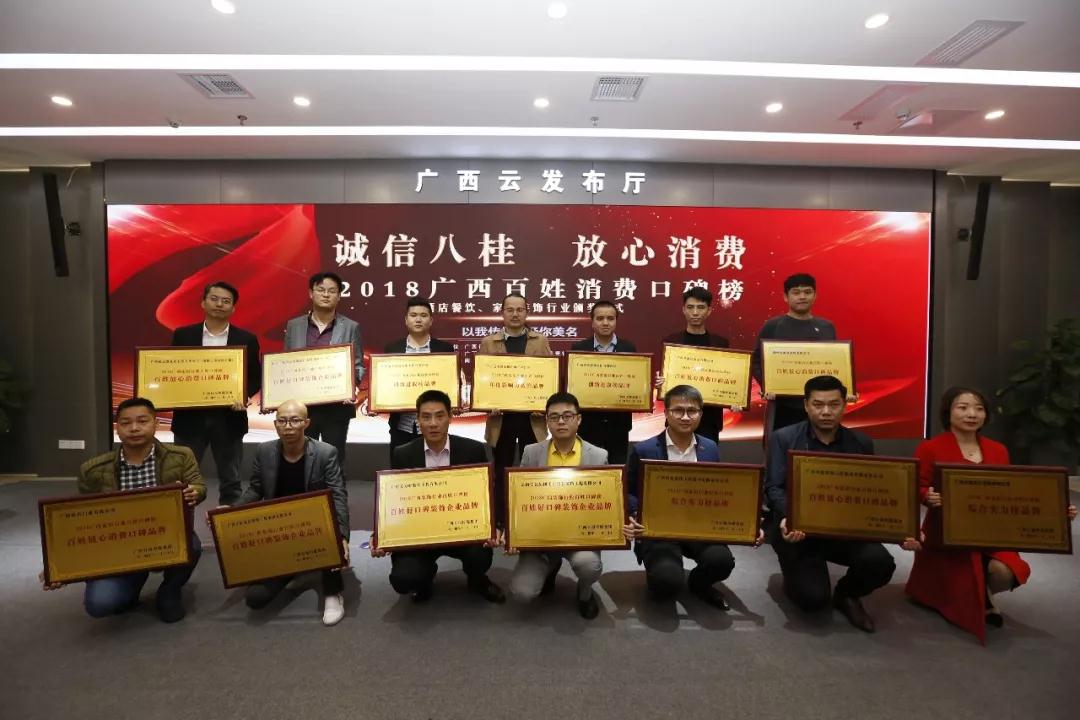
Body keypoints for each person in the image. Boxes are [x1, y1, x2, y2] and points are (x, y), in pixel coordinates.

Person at [905, 386, 1078, 641]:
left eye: (979, 409)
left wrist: (1057, 513)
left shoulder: (998, 450)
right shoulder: (930, 448)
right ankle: (982, 602)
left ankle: (983, 594)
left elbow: (1012, 490)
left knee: (1005, 572)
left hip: (993, 531)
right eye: (963, 408)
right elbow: (916, 486)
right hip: (947, 534)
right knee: (955, 585)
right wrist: (926, 496)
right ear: (948, 412)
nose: (971, 414)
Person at [764, 375, 916, 633]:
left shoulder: (861, 443)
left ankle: (847, 594)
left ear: (845, 405)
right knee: (812, 600)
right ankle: (795, 577)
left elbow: (873, 491)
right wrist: (790, 515)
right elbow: (774, 487)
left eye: (834, 404)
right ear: (806, 405)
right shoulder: (784, 438)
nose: (826, 411)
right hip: (799, 533)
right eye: (818, 404)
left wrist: (900, 529)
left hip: (845, 530)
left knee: (881, 562)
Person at [42, 398, 205, 623]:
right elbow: (79, 522)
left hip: (166, 535)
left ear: (156, 423)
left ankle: (169, 590)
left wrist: (194, 491)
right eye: (126, 423)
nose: (134, 428)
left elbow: (198, 484)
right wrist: (57, 565)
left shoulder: (181, 456)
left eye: (142, 421)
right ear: (117, 427)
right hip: (118, 544)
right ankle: (133, 579)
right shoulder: (92, 470)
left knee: (192, 545)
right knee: (100, 604)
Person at [622, 385, 759, 610]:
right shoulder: (644, 450)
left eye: (692, 411)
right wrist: (635, 513)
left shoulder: (710, 448)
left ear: (701, 414)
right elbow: (629, 491)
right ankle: (661, 577)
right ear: (666, 413)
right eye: (678, 410)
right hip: (659, 529)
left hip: (699, 526)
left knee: (721, 562)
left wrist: (749, 524)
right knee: (666, 581)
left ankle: (698, 584)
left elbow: (722, 492)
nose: (685, 417)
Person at [373, 390, 505, 604]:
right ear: (418, 420)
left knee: (480, 555)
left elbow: (486, 493)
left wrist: (494, 526)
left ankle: (477, 579)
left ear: (450, 417)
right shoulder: (403, 453)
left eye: (439, 416)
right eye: (426, 417)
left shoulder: (472, 450)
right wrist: (381, 534)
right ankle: (424, 579)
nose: (433, 423)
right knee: (403, 579)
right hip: (421, 532)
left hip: (461, 527)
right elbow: (395, 498)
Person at [234, 399, 351, 626]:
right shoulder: (264, 451)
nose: (288, 427)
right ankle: (297, 567)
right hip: (281, 530)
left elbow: (338, 495)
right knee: (256, 598)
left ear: (306, 423)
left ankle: (333, 592)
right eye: (282, 421)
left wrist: (343, 535)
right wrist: (232, 511)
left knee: (331, 539)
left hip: (316, 528)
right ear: (275, 424)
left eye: (295, 420)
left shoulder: (325, 453)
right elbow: (256, 489)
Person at [508, 392, 608, 619]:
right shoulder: (531, 452)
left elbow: (604, 502)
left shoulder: (598, 456)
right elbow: (520, 497)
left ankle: (585, 593)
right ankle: (550, 567)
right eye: (554, 417)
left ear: (578, 419)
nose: (561, 421)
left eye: (567, 416)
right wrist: (515, 533)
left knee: (589, 566)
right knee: (522, 592)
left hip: (580, 536)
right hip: (541, 537)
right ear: (546, 421)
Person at [170, 280, 262, 505]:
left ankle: (229, 524)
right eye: (214, 299)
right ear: (203, 303)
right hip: (189, 418)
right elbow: (171, 369)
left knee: (231, 481)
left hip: (229, 419)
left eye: (226, 301)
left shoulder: (246, 339)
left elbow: (255, 377)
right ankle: (182, 523)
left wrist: (243, 396)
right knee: (182, 481)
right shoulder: (183, 335)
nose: (219, 304)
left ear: (233, 308)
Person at [283, 271, 365, 474]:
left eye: (332, 291)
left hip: (336, 408)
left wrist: (351, 385)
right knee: (301, 458)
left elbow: (358, 365)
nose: (326, 295)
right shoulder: (294, 326)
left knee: (334, 459)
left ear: (339, 296)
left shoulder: (351, 326)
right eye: (321, 290)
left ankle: (335, 494)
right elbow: (285, 364)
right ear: (311, 293)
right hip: (302, 407)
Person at [477, 293, 553, 510]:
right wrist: (487, 403)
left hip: (532, 419)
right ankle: (501, 518)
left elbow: (549, 376)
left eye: (520, 309)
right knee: (501, 472)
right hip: (501, 420)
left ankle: (533, 513)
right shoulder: (489, 342)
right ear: (502, 313)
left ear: (527, 312)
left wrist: (544, 405)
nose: (515, 314)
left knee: (533, 471)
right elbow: (482, 380)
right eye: (509, 310)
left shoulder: (540, 341)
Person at [751, 273, 838, 435]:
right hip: (783, 405)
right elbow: (756, 360)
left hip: (820, 405)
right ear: (786, 297)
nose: (802, 297)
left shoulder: (826, 327)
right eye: (796, 292)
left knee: (819, 447)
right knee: (782, 446)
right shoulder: (773, 326)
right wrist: (767, 384)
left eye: (807, 292)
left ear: (815, 295)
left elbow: (836, 362)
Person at [381, 298, 456, 455]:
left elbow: (450, 384)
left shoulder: (444, 349)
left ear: (431, 320)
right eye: (413, 315)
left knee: (434, 467)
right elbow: (384, 385)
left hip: (435, 426)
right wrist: (377, 401)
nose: (418, 319)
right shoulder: (392, 349)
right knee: (401, 468)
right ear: (406, 320)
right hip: (402, 427)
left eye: (423, 315)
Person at [660, 287, 732, 444]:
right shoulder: (671, 342)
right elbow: (665, 378)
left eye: (700, 307)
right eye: (690, 307)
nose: (695, 312)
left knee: (707, 458)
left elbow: (727, 376)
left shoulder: (720, 344)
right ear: (683, 310)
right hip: (678, 415)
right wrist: (661, 382)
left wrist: (734, 396)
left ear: (709, 311)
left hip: (709, 417)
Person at [569, 300, 637, 465]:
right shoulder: (579, 348)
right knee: (588, 469)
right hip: (588, 422)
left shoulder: (629, 348)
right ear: (592, 322)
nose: (605, 323)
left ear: (616, 321)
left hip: (619, 423)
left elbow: (635, 381)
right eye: (600, 318)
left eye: (610, 318)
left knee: (617, 469)